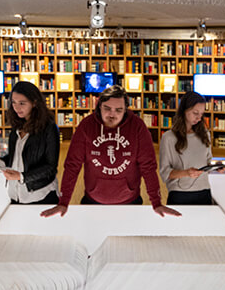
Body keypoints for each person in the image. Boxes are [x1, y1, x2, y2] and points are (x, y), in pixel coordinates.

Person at [41, 85, 180, 217]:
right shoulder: (86, 126)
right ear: (99, 106)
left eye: (118, 110)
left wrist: (156, 202)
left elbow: (148, 167)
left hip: (130, 203)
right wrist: (63, 202)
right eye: (107, 108)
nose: (112, 114)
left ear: (125, 109)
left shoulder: (137, 127)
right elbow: (72, 165)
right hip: (93, 202)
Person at [0, 81, 61, 205]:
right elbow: (16, 156)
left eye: (22, 103)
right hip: (15, 193)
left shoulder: (49, 128)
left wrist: (22, 176)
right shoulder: (16, 125)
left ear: (34, 102)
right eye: (14, 103)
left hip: (40, 194)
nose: (16, 108)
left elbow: (50, 167)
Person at [158, 91, 216, 205]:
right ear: (184, 109)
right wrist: (186, 173)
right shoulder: (168, 138)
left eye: (201, 114)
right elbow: (165, 172)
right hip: (180, 194)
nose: (199, 118)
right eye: (195, 113)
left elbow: (208, 162)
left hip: (204, 191)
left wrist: (215, 168)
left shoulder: (205, 134)